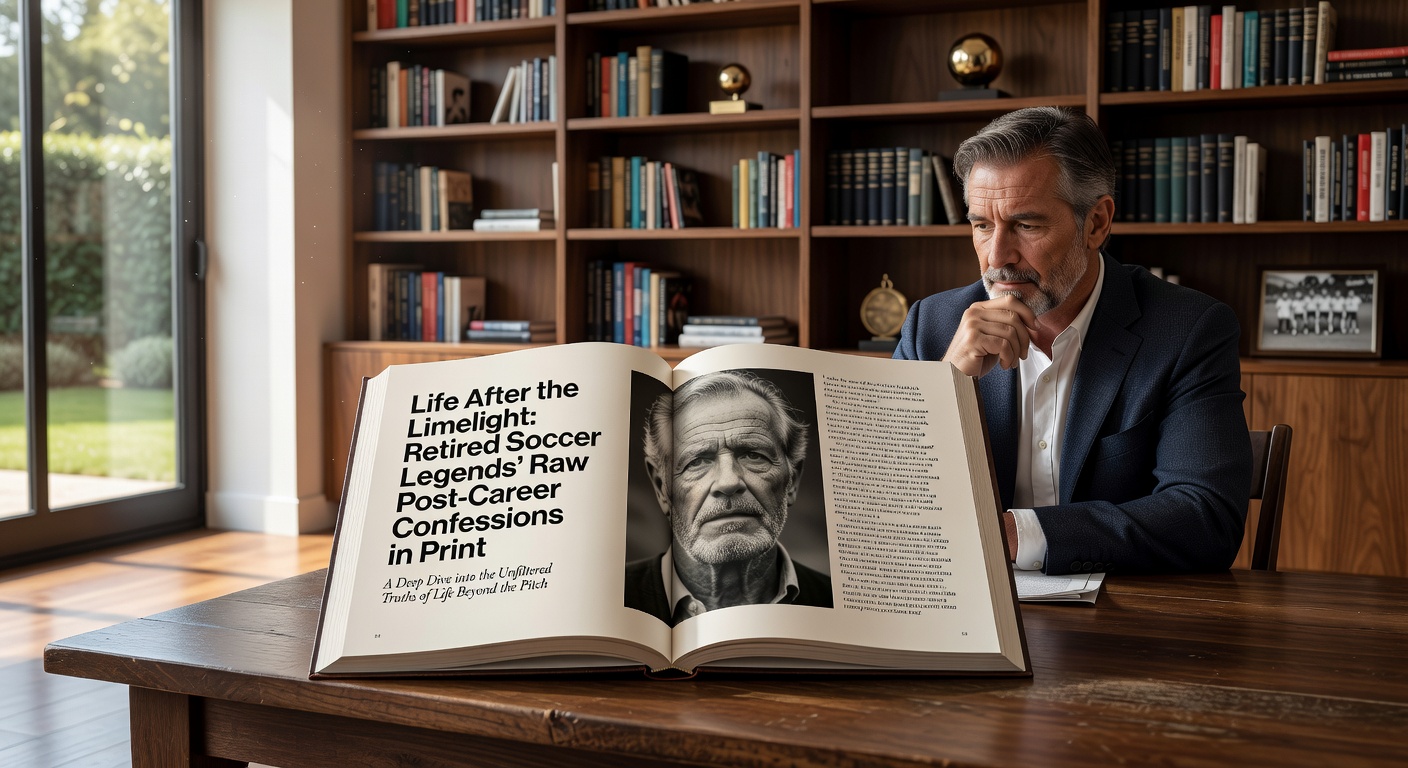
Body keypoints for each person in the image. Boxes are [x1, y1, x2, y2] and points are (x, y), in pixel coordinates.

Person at [894, 107, 1250, 575]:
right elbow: (875, 503)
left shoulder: (1189, 330)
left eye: (1026, 225)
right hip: (957, 602)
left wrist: (1015, 534)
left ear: (1096, 223)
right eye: (982, 225)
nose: (997, 256)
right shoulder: (932, 327)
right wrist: (948, 385)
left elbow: (1206, 517)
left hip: (1123, 609)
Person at [624, 371, 832, 625]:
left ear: (792, 480)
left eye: (753, 455)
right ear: (661, 487)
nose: (728, 482)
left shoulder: (833, 603)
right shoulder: (613, 598)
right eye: (697, 461)